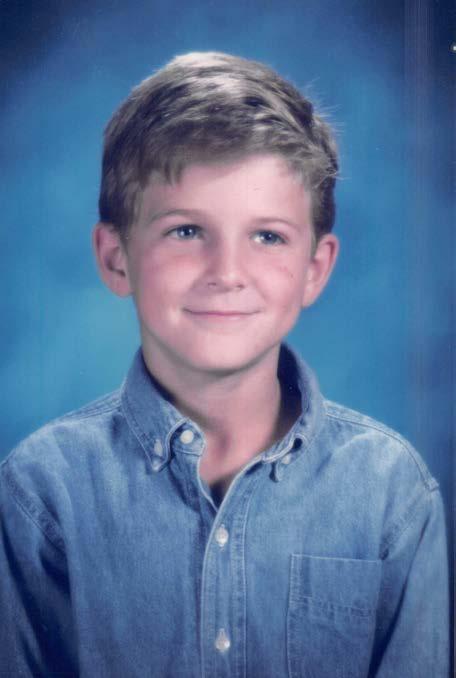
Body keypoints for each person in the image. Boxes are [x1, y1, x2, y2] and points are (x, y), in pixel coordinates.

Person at [0, 52, 449, 678]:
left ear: (315, 268)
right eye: (186, 231)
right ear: (115, 257)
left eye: (268, 236)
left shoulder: (392, 492)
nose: (228, 273)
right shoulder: (40, 493)